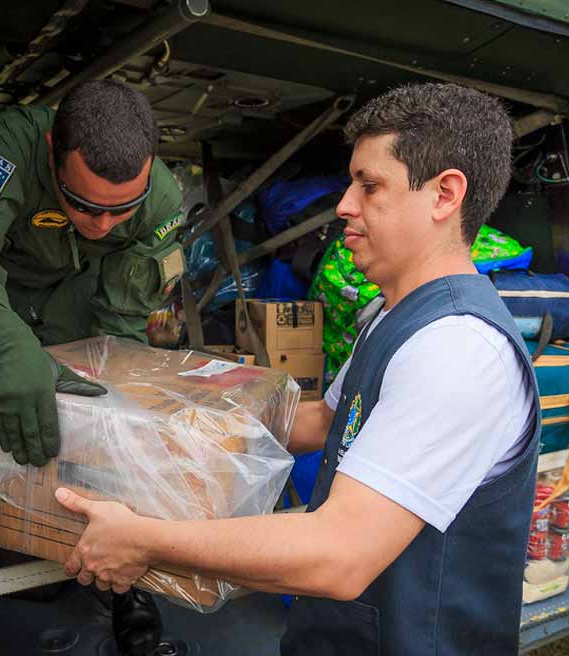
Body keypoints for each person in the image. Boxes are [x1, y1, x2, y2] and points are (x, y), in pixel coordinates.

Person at [54, 83, 541, 655]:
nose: (344, 205)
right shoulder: (393, 315)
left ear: (444, 194)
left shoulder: (456, 349)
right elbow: (320, 422)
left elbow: (340, 553)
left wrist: (145, 540)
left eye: (369, 184)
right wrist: (164, 419)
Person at [0, 80, 185, 656]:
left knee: (110, 440)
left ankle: (128, 584)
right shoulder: (9, 148)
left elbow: (123, 320)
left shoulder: (160, 199)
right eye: (82, 205)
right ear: (54, 148)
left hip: (74, 319)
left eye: (118, 210)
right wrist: (5, 342)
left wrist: (121, 401)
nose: (101, 225)